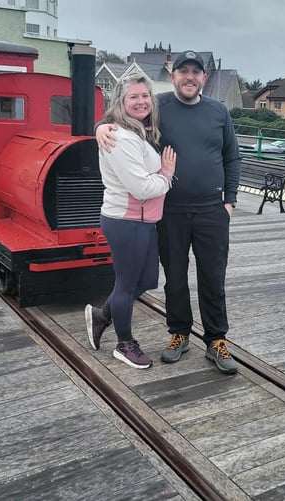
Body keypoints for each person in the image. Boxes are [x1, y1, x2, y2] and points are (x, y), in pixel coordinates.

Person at [96, 50, 241, 374]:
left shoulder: (219, 111)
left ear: (204, 78)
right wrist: (100, 127)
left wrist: (229, 202)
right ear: (173, 75)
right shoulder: (158, 107)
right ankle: (178, 333)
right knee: (174, 277)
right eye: (183, 71)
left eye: (196, 72)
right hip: (171, 212)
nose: (189, 77)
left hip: (211, 211)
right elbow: (122, 117)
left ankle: (216, 340)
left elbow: (233, 159)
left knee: (212, 278)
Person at [85, 72, 176, 370]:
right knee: (126, 284)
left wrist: (157, 176)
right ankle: (124, 345)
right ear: (121, 103)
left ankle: (102, 316)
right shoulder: (122, 138)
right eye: (133, 97)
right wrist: (165, 175)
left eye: (145, 95)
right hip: (127, 220)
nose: (141, 101)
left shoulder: (138, 132)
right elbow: (141, 188)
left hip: (143, 221)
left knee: (146, 280)